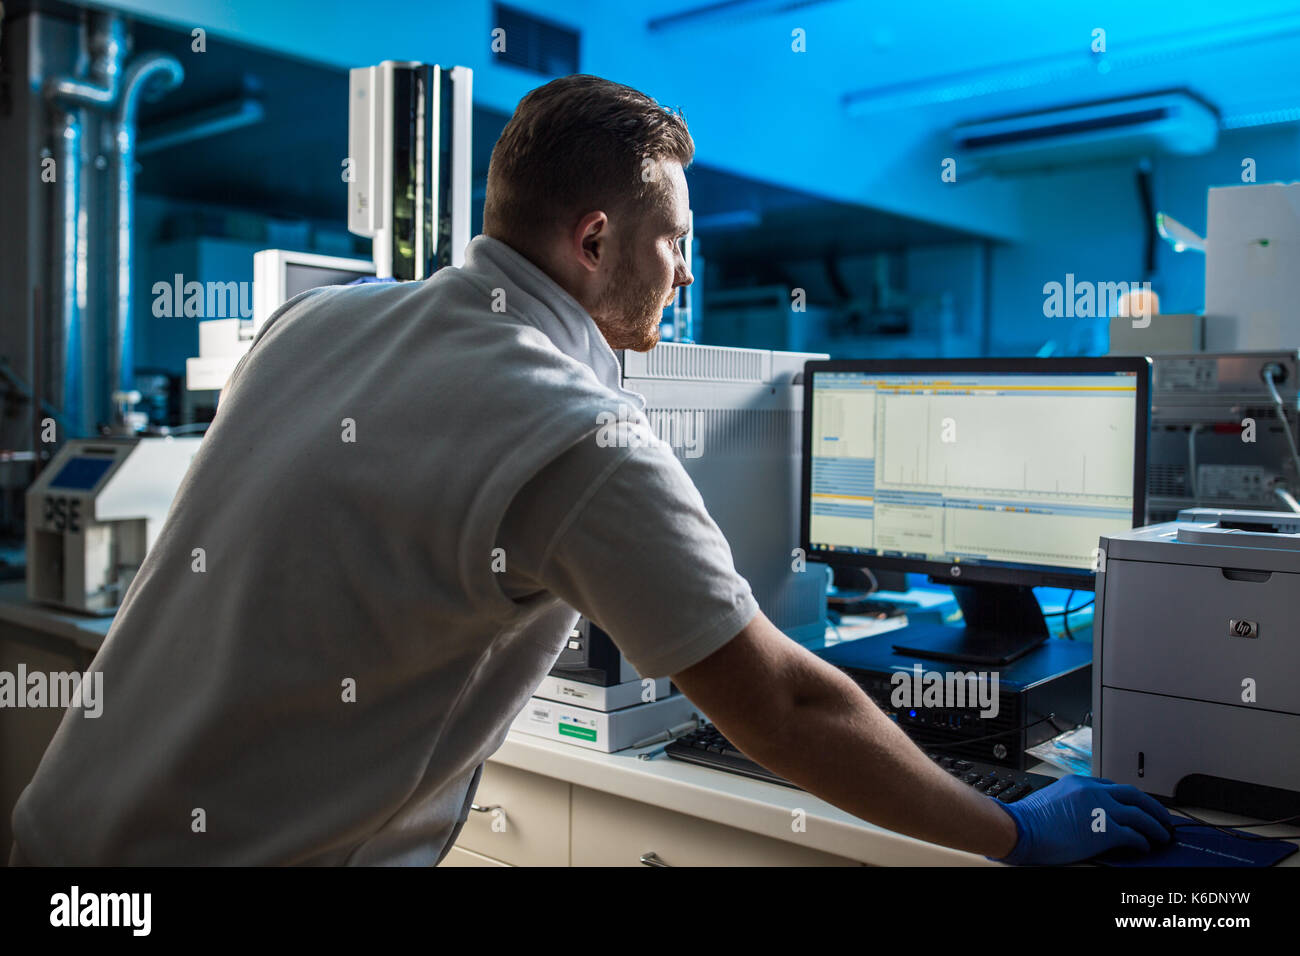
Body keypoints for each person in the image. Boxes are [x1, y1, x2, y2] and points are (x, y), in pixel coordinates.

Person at [9, 74, 1171, 867]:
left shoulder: (319, 324)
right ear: (598, 238)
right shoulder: (577, 429)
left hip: (61, 838)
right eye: (675, 242)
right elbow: (784, 702)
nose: (685, 272)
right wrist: (1018, 833)